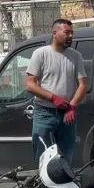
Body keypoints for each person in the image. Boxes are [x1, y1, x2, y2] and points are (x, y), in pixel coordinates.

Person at [25, 18, 88, 163]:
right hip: (44, 112)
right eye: (67, 32)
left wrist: (72, 106)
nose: (70, 36)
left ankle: (62, 182)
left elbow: (83, 85)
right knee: (43, 157)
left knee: (66, 157)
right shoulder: (41, 54)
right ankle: (42, 185)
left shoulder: (75, 56)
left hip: (67, 114)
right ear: (54, 33)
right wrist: (54, 98)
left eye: (72, 33)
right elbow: (30, 84)